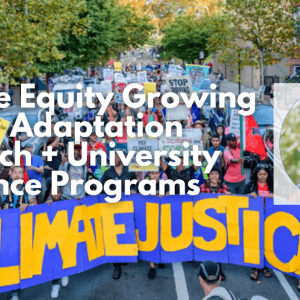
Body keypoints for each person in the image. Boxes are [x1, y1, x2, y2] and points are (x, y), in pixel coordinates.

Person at [101, 148, 138, 280]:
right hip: (113, 208)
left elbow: (135, 184)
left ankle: (124, 256)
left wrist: (133, 190)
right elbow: (100, 187)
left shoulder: (129, 170)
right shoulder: (108, 172)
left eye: (117, 156)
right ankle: (117, 266)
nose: (115, 158)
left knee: (126, 233)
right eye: (113, 156)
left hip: (127, 209)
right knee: (114, 236)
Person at [1, 166, 31, 300]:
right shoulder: (2, 187)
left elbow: (33, 202)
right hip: (4, 228)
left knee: (15, 260)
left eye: (21, 172)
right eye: (15, 172)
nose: (18, 175)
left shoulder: (28, 188)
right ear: (11, 174)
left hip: (20, 229)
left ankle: (14, 292)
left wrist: (28, 205)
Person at [243, 164, 273, 281]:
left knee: (266, 242)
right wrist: (249, 195)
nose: (262, 176)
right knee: (256, 241)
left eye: (264, 174)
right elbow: (240, 198)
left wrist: (275, 195)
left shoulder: (272, 186)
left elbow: (283, 198)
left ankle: (265, 266)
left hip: (269, 218)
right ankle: (256, 266)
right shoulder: (250, 185)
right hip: (254, 218)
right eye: (260, 174)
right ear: (256, 175)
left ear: (268, 175)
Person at [143, 170, 169, 279]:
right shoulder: (144, 185)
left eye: (156, 173)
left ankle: (161, 258)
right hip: (150, 215)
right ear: (149, 174)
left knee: (162, 238)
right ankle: (152, 266)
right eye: (152, 173)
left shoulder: (165, 185)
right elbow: (140, 199)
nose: (154, 176)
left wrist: (164, 197)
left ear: (160, 174)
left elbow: (169, 199)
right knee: (151, 240)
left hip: (162, 214)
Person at [45, 187, 69, 298]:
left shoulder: (66, 202)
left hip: (64, 237)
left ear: (61, 193)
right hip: (51, 239)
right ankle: (55, 285)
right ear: (50, 193)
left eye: (58, 193)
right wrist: (45, 206)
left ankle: (64, 273)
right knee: (53, 262)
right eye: (54, 193)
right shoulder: (45, 204)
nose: (56, 195)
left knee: (64, 257)